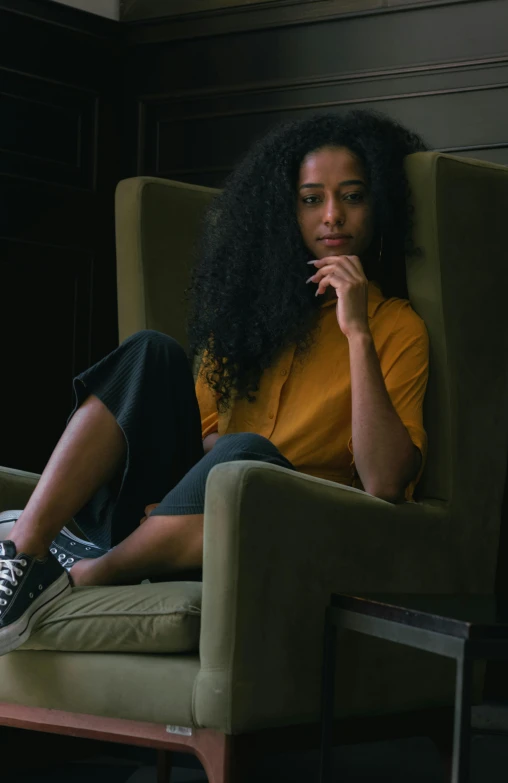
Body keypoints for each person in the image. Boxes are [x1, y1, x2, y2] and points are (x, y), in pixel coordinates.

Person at [0, 110, 429, 655]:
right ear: (286, 211)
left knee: (250, 455)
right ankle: (24, 553)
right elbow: (198, 435)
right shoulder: (247, 319)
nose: (333, 216)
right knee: (151, 351)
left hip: (260, 527)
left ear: (379, 206)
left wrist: (358, 333)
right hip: (176, 511)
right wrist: (200, 481)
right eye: (311, 198)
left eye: (352, 196)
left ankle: (88, 569)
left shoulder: (398, 328)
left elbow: (386, 482)